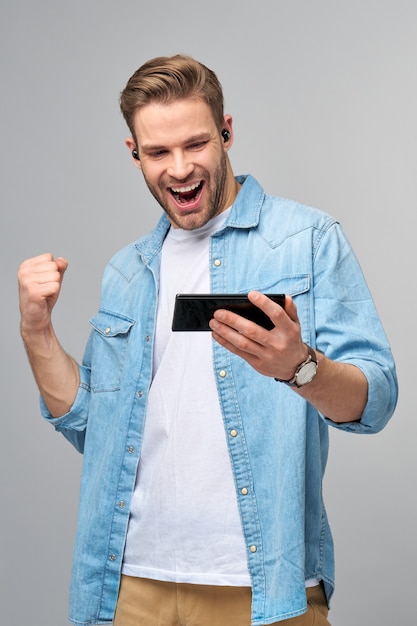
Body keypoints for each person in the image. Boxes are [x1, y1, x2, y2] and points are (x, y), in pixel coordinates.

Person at [18, 54, 398, 626]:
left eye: (196, 144)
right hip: (129, 585)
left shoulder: (307, 241)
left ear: (226, 133)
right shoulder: (128, 271)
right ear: (134, 155)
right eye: (158, 152)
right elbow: (91, 429)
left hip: (264, 589)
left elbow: (377, 401)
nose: (178, 169)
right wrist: (36, 330)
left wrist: (301, 368)